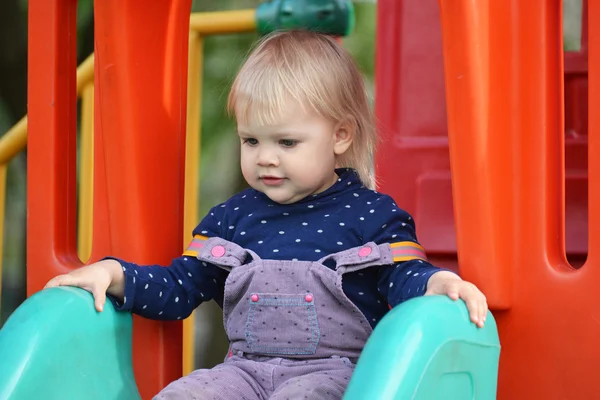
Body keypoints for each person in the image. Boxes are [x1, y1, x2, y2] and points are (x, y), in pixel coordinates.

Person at [45, 30, 488, 400]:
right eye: (251, 141)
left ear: (340, 135)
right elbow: (180, 287)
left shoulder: (371, 215)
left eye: (286, 143)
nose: (266, 159)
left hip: (335, 375)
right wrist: (116, 274)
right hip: (244, 372)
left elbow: (402, 278)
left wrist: (435, 281)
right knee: (185, 394)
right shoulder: (232, 219)